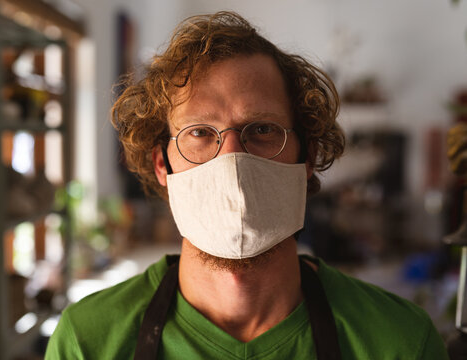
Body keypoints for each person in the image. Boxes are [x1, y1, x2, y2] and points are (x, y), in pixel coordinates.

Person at [46, 11, 449, 360]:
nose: (232, 160)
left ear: (307, 158)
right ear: (161, 165)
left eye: (262, 130)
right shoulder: (88, 342)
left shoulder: (399, 341)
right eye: (201, 132)